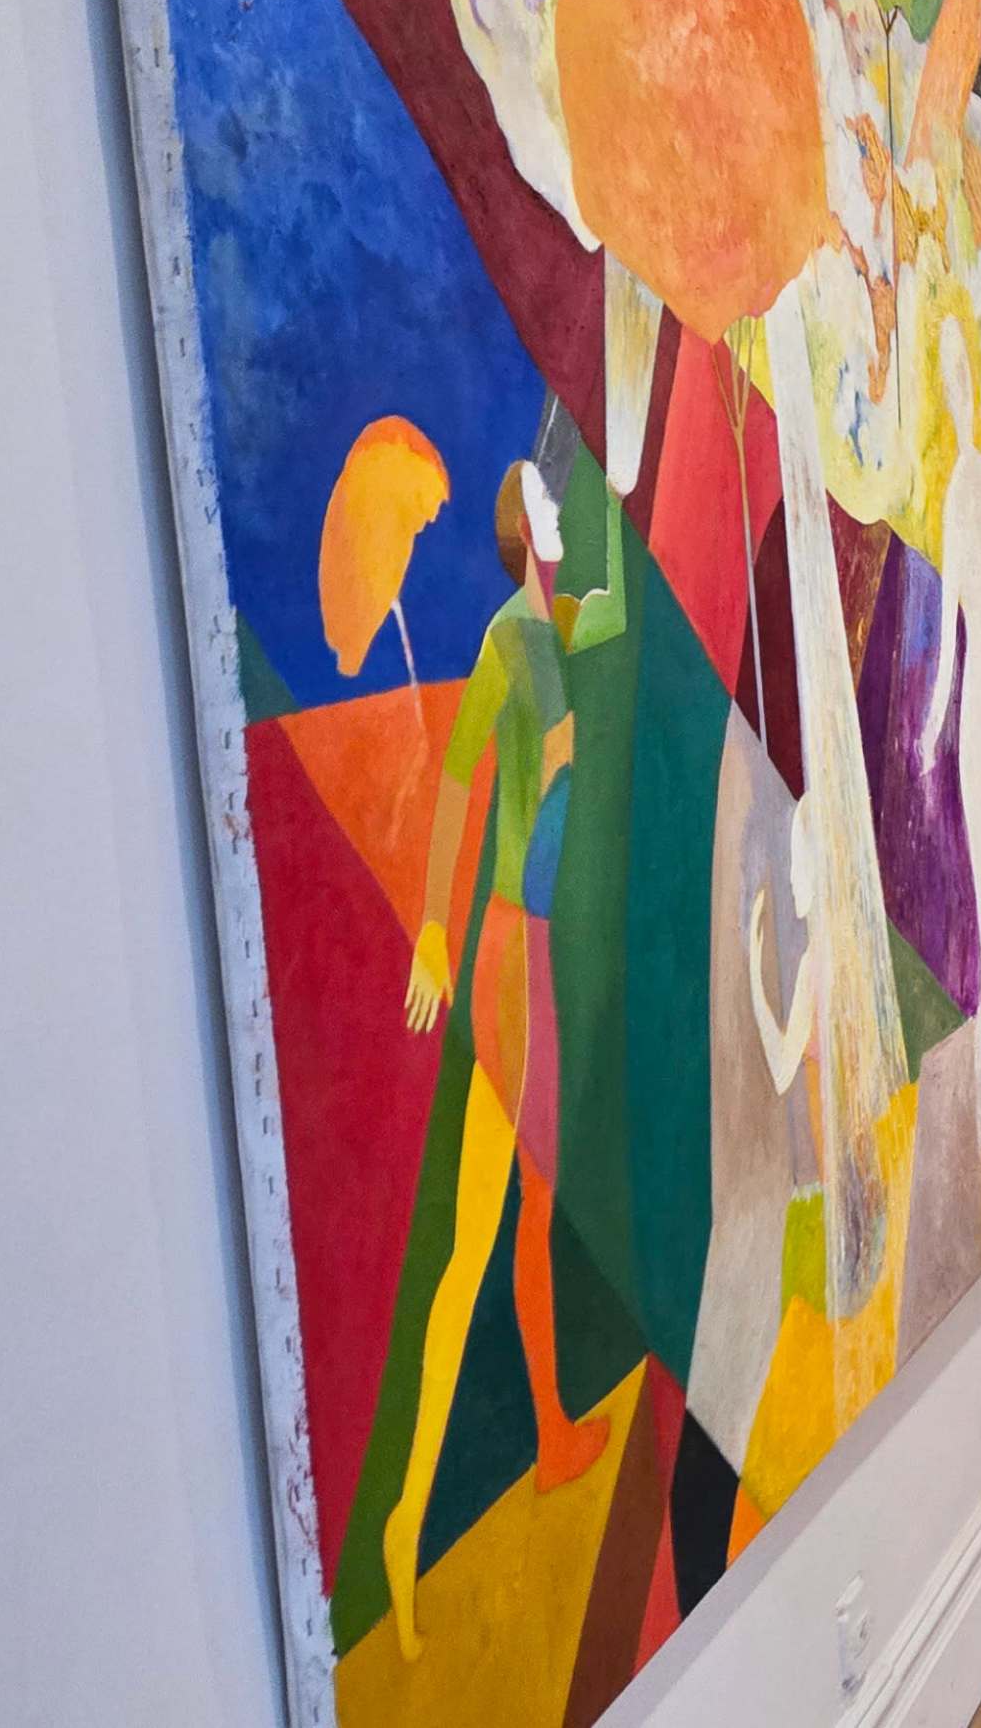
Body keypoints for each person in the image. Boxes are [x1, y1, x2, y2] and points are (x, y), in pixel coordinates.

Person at [381, 457, 625, 1659]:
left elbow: (619, 597)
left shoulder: (556, 622)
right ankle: (422, 1506)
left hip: (525, 946)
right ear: (519, 530)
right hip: (503, 955)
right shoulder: (506, 643)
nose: (564, 516)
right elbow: (457, 786)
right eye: (550, 504)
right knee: (491, 1231)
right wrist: (430, 924)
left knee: (522, 1217)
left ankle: (545, 1434)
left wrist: (618, 449)